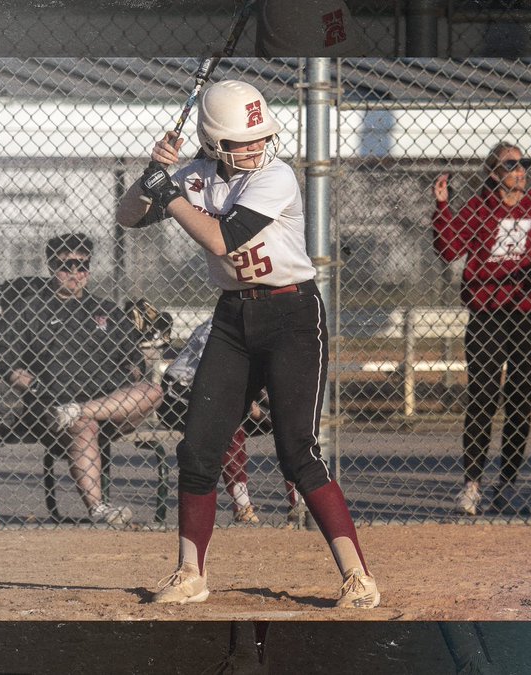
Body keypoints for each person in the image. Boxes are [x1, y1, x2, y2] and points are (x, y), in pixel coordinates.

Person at [117, 79, 379, 608]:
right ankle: (190, 573)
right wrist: (150, 179)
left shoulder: (276, 176)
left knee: (296, 454)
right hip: (233, 319)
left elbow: (222, 238)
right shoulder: (193, 175)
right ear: (214, 143)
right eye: (240, 140)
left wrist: (169, 192)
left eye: (260, 136)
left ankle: (358, 576)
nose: (254, 146)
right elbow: (128, 217)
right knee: (197, 449)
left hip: (292, 317)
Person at [432, 141, 531, 515]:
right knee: (483, 399)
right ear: (494, 173)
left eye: (523, 164)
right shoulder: (479, 208)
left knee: (518, 402)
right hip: (487, 315)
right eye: (512, 164)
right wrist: (441, 207)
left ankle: (508, 486)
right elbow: (449, 249)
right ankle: (472, 485)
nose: (521, 171)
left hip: (529, 316)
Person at [0, 233, 162, 527]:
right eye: (66, 265)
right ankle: (98, 508)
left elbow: (133, 363)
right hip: (54, 408)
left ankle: (83, 410)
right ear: (51, 266)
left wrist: (140, 367)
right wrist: (38, 388)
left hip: (111, 406)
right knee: (83, 425)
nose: (75, 273)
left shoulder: (106, 310)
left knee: (154, 390)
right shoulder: (29, 310)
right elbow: (3, 363)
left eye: (83, 265)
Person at [160, 317, 307, 526]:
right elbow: (217, 380)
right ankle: (242, 505)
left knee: (289, 423)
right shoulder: (222, 326)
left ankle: (298, 504)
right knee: (229, 418)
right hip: (178, 395)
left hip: (222, 392)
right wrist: (254, 410)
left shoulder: (266, 329)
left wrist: (276, 413)